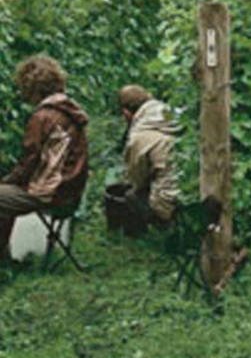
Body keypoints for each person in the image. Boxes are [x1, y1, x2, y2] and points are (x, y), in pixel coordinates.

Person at [1, 55, 89, 261]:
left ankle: (3, 261)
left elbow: (30, 162)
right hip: (71, 187)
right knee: (5, 197)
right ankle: (4, 259)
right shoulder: (68, 109)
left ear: (32, 87)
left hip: (52, 190)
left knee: (2, 195)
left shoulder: (43, 117)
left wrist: (7, 181)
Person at [105, 85, 181, 235]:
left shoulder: (139, 136)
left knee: (130, 194)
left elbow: (136, 179)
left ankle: (160, 225)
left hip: (169, 199)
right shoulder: (173, 115)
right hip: (191, 189)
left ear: (126, 112)